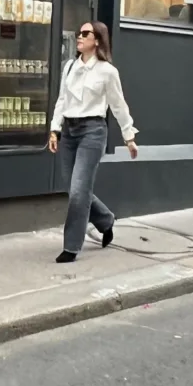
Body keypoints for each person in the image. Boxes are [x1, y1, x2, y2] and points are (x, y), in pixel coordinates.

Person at [48, 21, 138, 263]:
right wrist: (54, 129)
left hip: (93, 131)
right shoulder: (69, 67)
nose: (79, 36)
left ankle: (71, 246)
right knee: (74, 189)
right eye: (79, 32)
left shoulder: (108, 71)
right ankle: (106, 220)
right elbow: (61, 100)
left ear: (97, 40)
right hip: (69, 131)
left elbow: (119, 105)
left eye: (85, 33)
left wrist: (129, 137)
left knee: (79, 192)